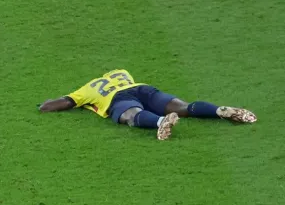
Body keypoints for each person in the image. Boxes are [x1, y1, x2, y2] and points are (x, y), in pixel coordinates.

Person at [39, 69, 257, 140]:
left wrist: (45, 104)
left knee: (132, 115)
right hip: (142, 88)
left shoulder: (87, 89)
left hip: (118, 98)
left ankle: (161, 122)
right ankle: (219, 110)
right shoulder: (121, 72)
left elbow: (61, 103)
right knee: (182, 107)